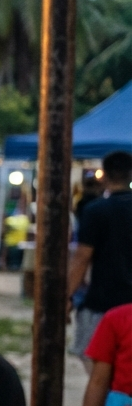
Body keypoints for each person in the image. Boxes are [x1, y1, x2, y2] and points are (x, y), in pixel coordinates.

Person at [69, 152, 132, 369]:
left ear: (103, 175)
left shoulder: (95, 211)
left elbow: (82, 258)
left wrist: (67, 296)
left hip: (102, 303)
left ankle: (110, 403)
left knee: (98, 368)